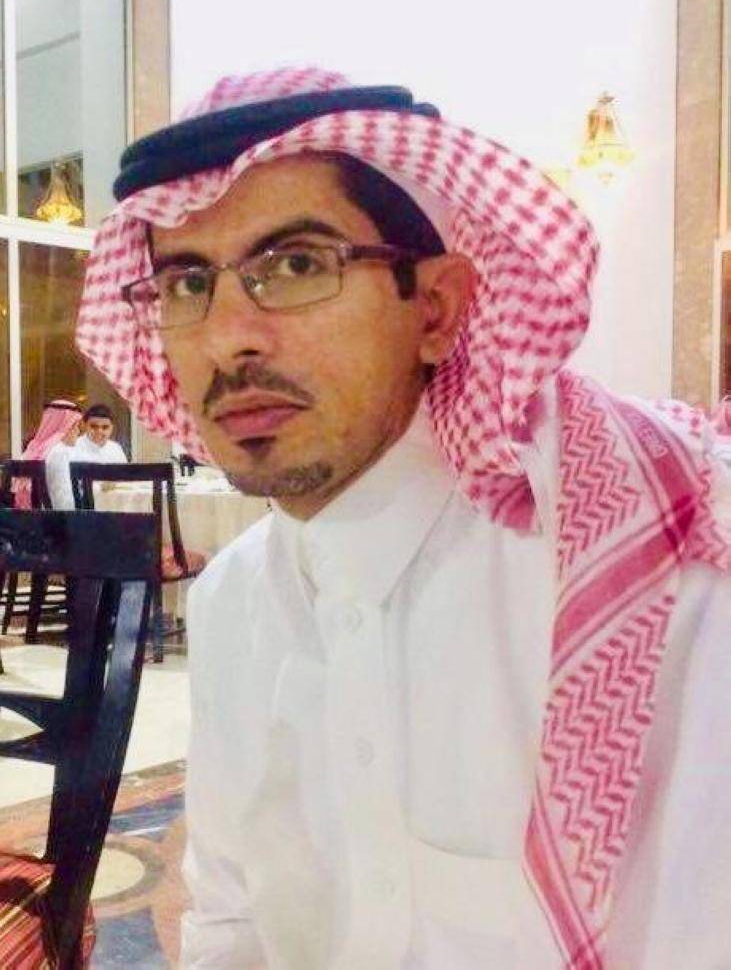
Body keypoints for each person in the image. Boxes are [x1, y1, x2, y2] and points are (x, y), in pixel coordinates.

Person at [76, 69, 731, 969]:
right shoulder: (231, 602)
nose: (227, 336)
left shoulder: (660, 580)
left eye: (297, 265)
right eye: (186, 284)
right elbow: (230, 922)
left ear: (436, 309)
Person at [14, 399, 82, 510]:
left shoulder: (32, 449)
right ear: (67, 426)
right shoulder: (59, 452)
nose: (79, 432)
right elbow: (63, 500)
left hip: (26, 517)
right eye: (77, 426)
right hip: (53, 518)